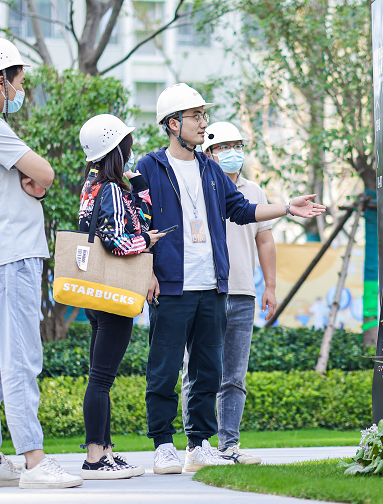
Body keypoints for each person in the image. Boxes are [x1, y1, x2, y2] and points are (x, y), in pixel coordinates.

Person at [136, 83, 325, 474]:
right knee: (165, 368)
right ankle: (163, 446)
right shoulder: (150, 167)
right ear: (173, 124)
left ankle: (199, 443)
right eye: (196, 117)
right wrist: (148, 270)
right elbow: (138, 222)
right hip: (171, 286)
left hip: (212, 286)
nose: (203, 123)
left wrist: (287, 207)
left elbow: (240, 208)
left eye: (204, 116)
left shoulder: (209, 167)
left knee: (209, 369)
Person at [0, 37, 82, 489]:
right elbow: (45, 173)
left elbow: (32, 181)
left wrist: (32, 182)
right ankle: (34, 460)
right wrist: (36, 181)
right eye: (19, 82)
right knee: (20, 360)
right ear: (0, 80)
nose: (21, 90)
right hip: (13, 257)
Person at [75, 114, 166, 480]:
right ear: (117, 147)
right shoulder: (111, 190)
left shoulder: (93, 186)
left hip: (95, 292)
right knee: (101, 378)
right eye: (126, 143)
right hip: (114, 292)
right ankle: (94, 458)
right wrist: (146, 243)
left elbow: (137, 219)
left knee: (101, 377)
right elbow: (116, 240)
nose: (131, 149)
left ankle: (106, 452)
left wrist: (139, 185)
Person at [180, 121, 277, 465]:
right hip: (207, 290)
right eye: (223, 146)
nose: (232, 152)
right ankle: (197, 445)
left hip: (243, 293)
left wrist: (271, 287)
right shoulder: (197, 188)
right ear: (208, 152)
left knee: (234, 374)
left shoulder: (254, 191)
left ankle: (229, 445)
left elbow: (264, 239)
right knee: (199, 370)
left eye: (237, 145)